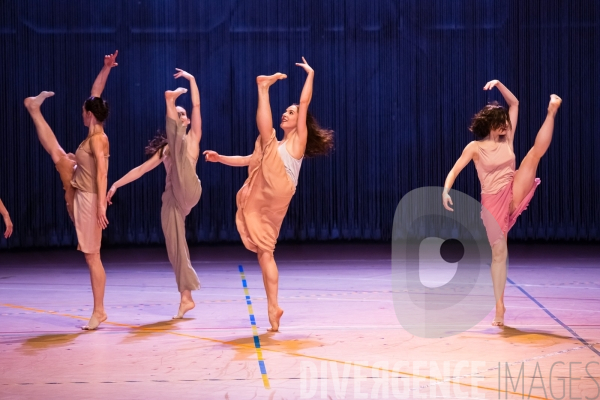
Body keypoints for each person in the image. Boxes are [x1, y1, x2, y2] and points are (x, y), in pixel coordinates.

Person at [203, 57, 333, 331]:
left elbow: (305, 102)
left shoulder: (298, 139)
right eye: (285, 111)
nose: (286, 113)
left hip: (280, 184)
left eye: (291, 112)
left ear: (301, 122)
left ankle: (263, 89)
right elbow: (248, 160)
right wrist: (219, 158)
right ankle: (273, 309)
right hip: (273, 196)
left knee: (266, 137)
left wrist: (311, 73)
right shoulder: (273, 149)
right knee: (266, 251)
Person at [442, 80, 561, 326]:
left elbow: (514, 103)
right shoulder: (475, 147)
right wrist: (446, 191)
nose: (507, 126)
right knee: (499, 255)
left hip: (513, 188)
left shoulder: (507, 140)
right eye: (503, 124)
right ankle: (500, 306)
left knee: (532, 155)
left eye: (507, 123)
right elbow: (454, 170)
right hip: (493, 203)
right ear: (492, 126)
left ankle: (552, 111)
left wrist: (498, 84)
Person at [24, 51, 118, 330]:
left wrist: (101, 205)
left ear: (89, 115)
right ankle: (33, 108)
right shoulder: (91, 133)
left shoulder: (99, 139)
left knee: (93, 257)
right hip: (80, 188)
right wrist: (106, 68)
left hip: (89, 198)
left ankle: (99, 310)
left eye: (83, 110)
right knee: (60, 156)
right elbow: (95, 91)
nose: (81, 113)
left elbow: (102, 172)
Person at [107, 69, 202, 319]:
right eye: (177, 113)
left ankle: (168, 99)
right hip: (173, 198)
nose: (182, 116)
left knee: (178, 148)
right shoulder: (165, 150)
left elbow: (196, 103)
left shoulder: (192, 138)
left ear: (188, 121)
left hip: (190, 188)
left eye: (182, 115)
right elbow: (140, 170)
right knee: (176, 246)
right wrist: (116, 184)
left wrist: (192, 80)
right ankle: (186, 297)